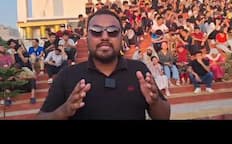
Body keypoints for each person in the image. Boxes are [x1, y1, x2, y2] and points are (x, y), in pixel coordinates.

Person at [37, 9, 170, 120]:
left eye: (112, 32)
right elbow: (41, 117)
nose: (105, 37)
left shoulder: (139, 71)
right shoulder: (66, 76)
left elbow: (164, 116)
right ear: (86, 37)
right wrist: (63, 111)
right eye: (96, 31)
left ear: (121, 37)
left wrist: (155, 102)